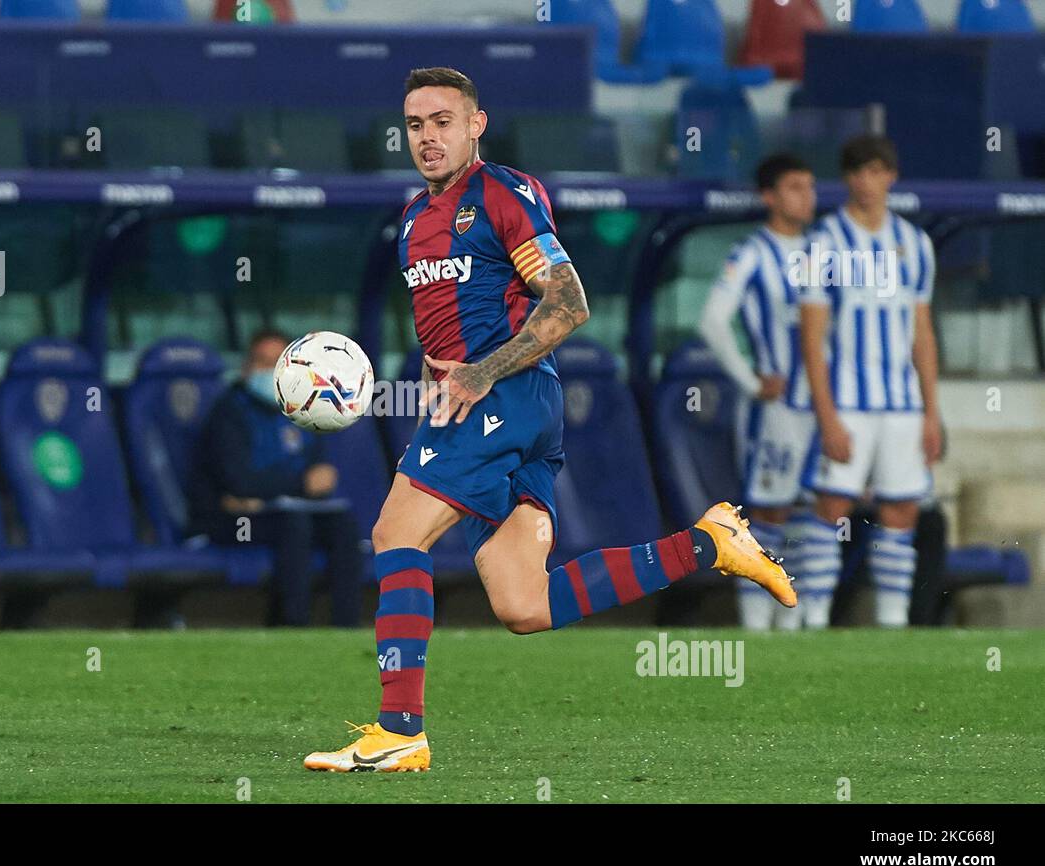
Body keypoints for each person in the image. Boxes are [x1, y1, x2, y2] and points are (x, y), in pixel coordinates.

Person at [303, 67, 796, 773]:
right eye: (415, 125)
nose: (428, 137)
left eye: (443, 121)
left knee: (394, 532)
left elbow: (568, 303)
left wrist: (479, 374)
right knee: (523, 603)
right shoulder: (415, 217)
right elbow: (442, 337)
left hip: (507, 397)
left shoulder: (503, 193)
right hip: (491, 409)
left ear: (476, 123)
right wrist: (432, 397)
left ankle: (399, 729)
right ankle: (710, 545)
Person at [797, 135, 942, 629]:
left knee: (902, 508)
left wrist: (931, 411)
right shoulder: (824, 242)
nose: (867, 181)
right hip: (848, 400)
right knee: (831, 505)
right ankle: (812, 617)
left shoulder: (916, 244)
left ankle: (893, 621)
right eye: (857, 172)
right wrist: (827, 413)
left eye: (876, 171)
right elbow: (812, 339)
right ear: (847, 179)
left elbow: (922, 332)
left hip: (902, 404)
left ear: (891, 176)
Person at [697, 153, 817, 631]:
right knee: (769, 509)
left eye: (810, 186)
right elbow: (712, 322)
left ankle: (798, 619)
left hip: (825, 405)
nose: (806, 196)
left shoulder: (826, 254)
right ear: (769, 196)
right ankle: (755, 620)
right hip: (777, 408)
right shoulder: (751, 253)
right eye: (794, 187)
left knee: (814, 508)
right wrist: (752, 381)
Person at [191, 328, 361, 627]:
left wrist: (304, 485)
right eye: (262, 361)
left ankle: (346, 628)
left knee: (343, 526)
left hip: (284, 511)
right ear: (246, 367)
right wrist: (299, 485)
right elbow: (238, 483)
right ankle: (294, 627)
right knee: (293, 526)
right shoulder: (229, 412)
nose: (269, 371)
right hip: (232, 519)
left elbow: (319, 476)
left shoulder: (305, 409)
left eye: (277, 363)